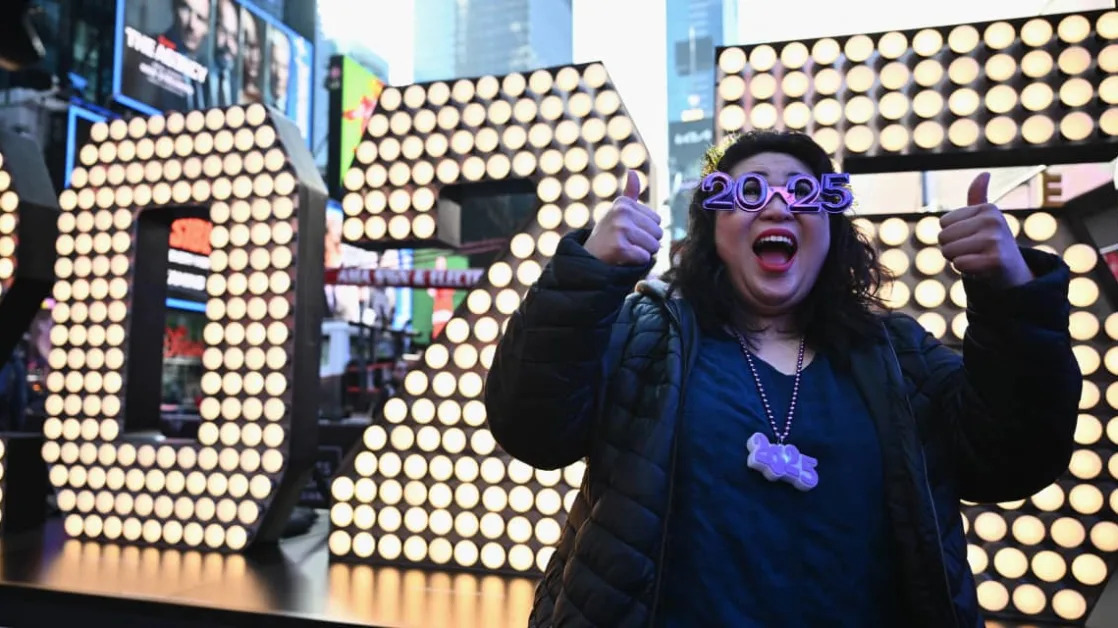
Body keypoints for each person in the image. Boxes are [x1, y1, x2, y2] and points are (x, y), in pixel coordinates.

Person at [484, 130, 1082, 627]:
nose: (776, 207)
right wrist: (587, 271)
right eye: (748, 192)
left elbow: (1013, 457)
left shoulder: (899, 356)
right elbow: (531, 428)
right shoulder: (645, 337)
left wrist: (1012, 293)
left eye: (801, 192)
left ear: (832, 228)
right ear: (713, 229)